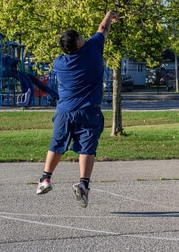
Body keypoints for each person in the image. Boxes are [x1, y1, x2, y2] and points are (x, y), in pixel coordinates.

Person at [36, 11, 118, 208]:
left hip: (64, 111)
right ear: (80, 43)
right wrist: (109, 14)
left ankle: (45, 179)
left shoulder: (59, 63)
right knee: (87, 148)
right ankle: (83, 184)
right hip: (89, 110)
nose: (83, 38)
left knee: (56, 144)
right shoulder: (93, 49)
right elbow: (102, 29)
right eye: (80, 37)